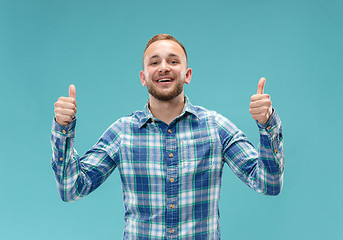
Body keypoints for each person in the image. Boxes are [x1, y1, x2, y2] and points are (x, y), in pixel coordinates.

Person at [51, 34, 284, 240]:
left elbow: (268, 183)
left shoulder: (216, 127)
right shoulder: (123, 133)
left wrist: (267, 124)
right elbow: (72, 188)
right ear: (143, 77)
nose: (164, 67)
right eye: (155, 62)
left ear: (187, 74)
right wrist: (63, 129)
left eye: (173, 61)